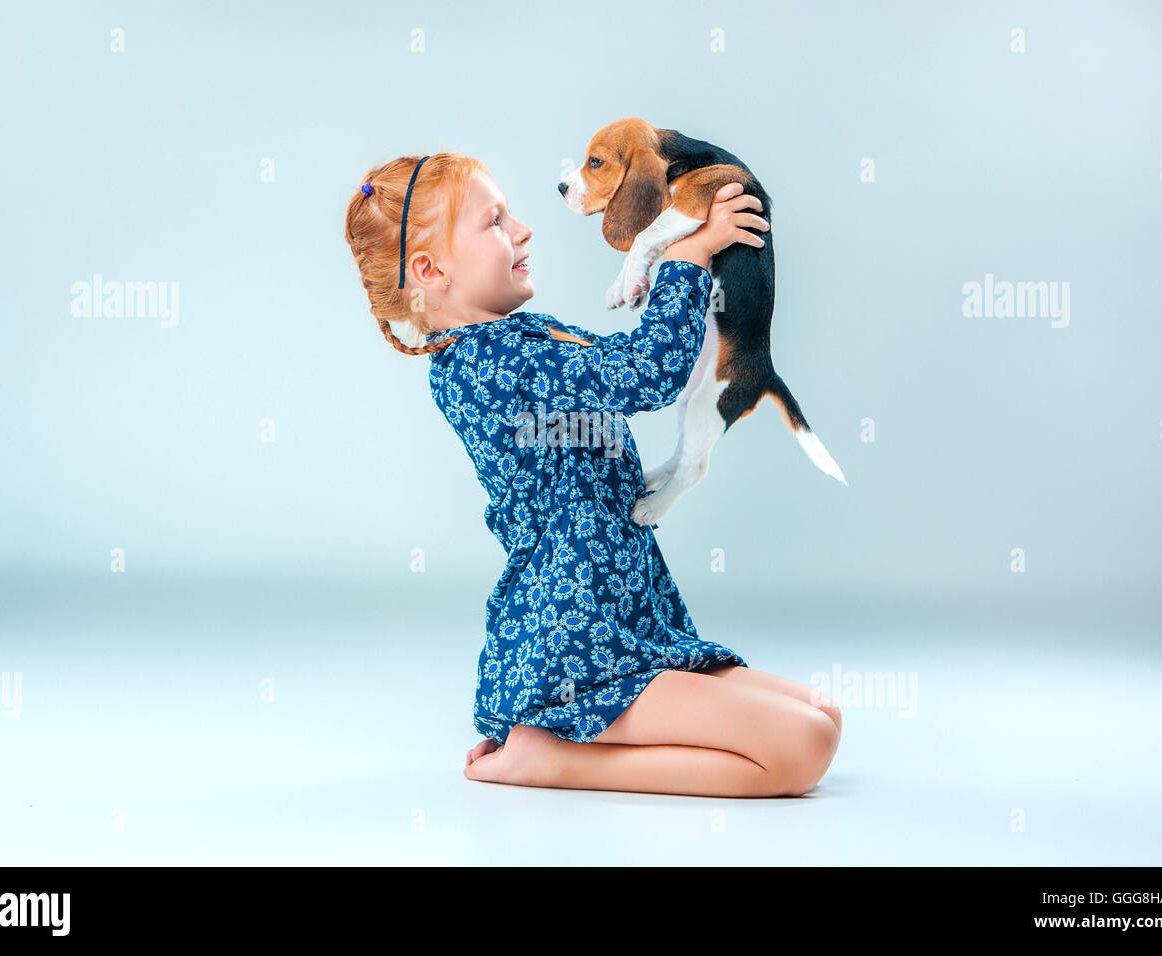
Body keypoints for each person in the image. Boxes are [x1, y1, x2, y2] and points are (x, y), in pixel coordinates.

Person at [344, 152, 840, 797]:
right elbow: (643, 373)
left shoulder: (523, 340)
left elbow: (620, 363)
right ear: (430, 270)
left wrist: (685, 245)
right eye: (494, 222)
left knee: (823, 713)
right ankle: (554, 758)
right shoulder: (487, 361)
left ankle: (558, 741)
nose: (522, 230)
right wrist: (687, 258)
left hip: (627, 618)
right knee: (804, 746)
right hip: (577, 640)